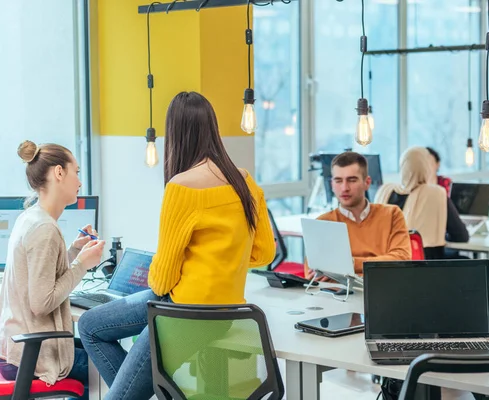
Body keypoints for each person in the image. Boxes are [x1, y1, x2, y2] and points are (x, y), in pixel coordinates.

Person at [78, 91, 276, 400]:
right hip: (227, 311)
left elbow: (162, 279)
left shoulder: (181, 186)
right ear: (212, 127)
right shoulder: (245, 181)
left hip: (183, 316)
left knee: (92, 332)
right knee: (90, 323)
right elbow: (264, 253)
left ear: (176, 134)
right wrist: (220, 262)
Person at [0, 141, 106, 400]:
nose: (80, 182)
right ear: (59, 173)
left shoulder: (30, 217)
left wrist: (71, 253)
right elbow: (41, 302)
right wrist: (82, 264)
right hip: (33, 359)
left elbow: (38, 276)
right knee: (107, 364)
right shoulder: (45, 229)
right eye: (76, 172)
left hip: (15, 350)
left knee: (96, 352)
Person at [304, 151, 411, 280]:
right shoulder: (322, 223)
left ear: (367, 182)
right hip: (339, 296)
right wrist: (376, 265)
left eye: (352, 180)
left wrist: (348, 264)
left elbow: (401, 258)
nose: (344, 188)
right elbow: (314, 272)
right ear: (332, 185)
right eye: (338, 181)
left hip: (383, 289)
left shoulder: (391, 214)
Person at [375, 147, 469, 259]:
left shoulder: (384, 191)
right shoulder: (436, 193)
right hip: (427, 267)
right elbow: (461, 236)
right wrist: (440, 233)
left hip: (387, 263)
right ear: (426, 168)